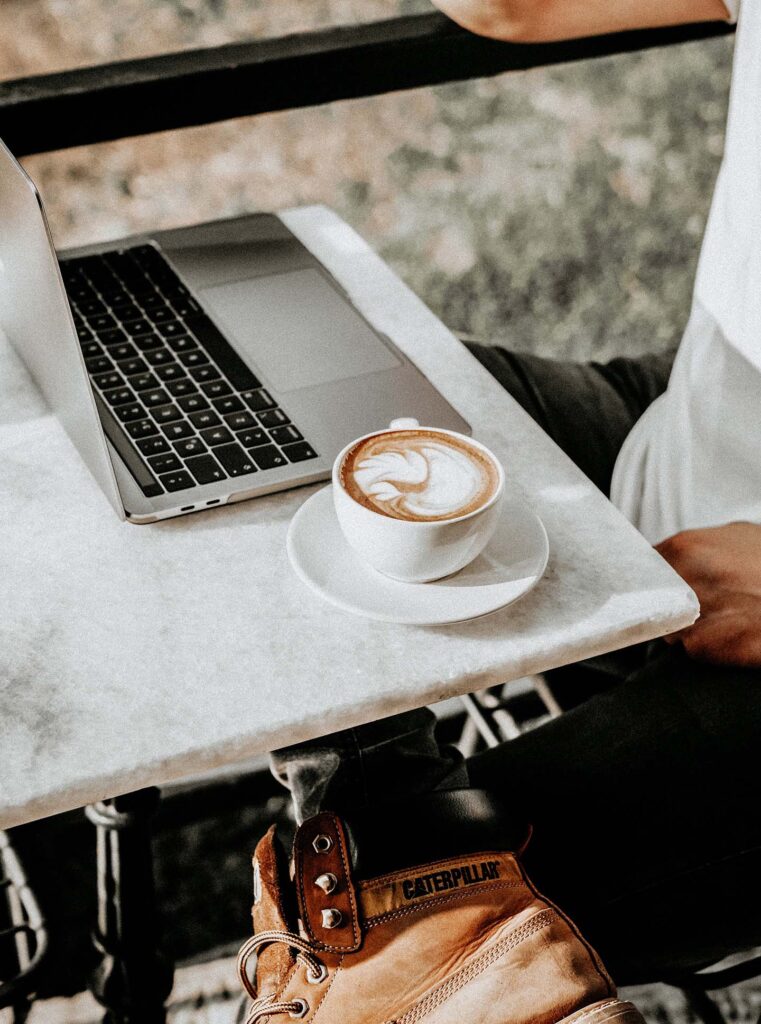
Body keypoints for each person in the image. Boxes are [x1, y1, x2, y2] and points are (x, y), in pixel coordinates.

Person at [237, 1, 761, 1021]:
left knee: (408, 921)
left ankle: (373, 919)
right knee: (301, 404)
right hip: (671, 442)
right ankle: (375, 877)